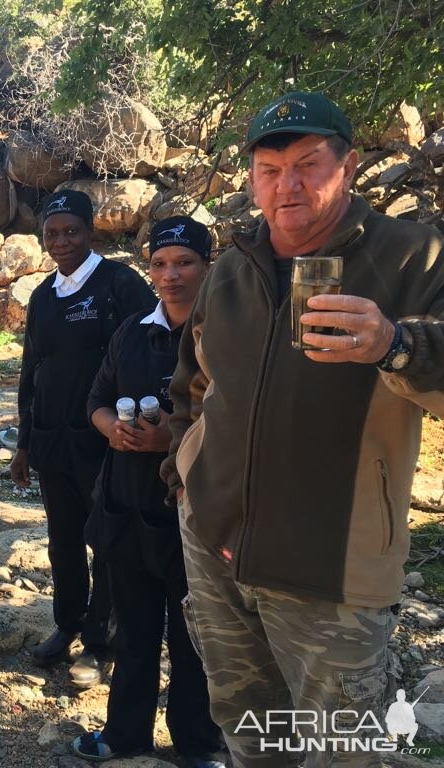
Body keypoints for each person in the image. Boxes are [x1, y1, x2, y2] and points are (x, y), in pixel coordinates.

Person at [160, 91, 444, 766]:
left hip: (331, 573)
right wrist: (183, 478)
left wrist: (393, 343)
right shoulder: (234, 265)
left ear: (345, 167)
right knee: (250, 735)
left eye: (308, 164)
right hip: (216, 551)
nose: (287, 184)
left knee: (339, 751)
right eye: (269, 167)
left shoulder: (412, 256)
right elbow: (192, 386)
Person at [72, 216, 223, 765]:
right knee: (133, 633)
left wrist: (172, 439)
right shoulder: (133, 331)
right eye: (160, 264)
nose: (171, 275)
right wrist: (112, 426)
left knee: (193, 642)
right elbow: (96, 398)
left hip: (195, 517)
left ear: (209, 266)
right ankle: (125, 735)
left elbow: (242, 424)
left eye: (184, 262)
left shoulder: (227, 335)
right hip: (128, 508)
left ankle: (197, 746)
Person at [11, 189, 156, 688]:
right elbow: (33, 369)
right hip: (53, 443)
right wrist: (25, 442)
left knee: (108, 543)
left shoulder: (120, 284)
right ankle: (66, 624)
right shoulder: (43, 295)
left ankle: (101, 643)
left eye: (71, 231)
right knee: (63, 543)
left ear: (91, 230)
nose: (62, 242)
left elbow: (154, 351)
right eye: (52, 233)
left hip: (106, 443)